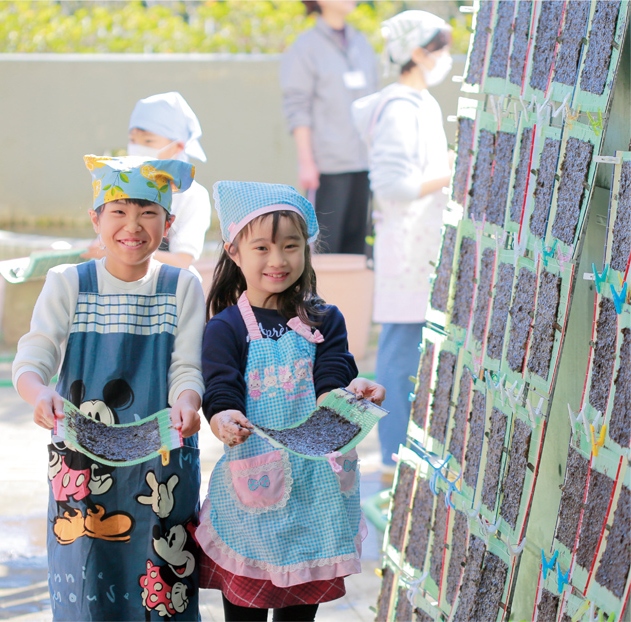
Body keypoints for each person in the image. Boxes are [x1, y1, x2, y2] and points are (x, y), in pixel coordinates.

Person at [12, 155, 205, 620]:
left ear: (169, 222)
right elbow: (33, 358)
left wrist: (187, 400)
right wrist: (39, 393)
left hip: (162, 464)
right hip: (82, 463)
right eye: (118, 211)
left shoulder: (182, 285)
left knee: (162, 581)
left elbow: (187, 366)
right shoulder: (68, 283)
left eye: (148, 213)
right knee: (86, 581)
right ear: (96, 218)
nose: (132, 226)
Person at [194, 181, 385, 621]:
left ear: (306, 250)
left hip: (316, 493)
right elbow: (220, 385)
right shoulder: (226, 327)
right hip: (254, 488)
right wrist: (222, 415)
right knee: (245, 608)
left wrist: (350, 394)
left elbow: (333, 375)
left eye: (290, 246)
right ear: (234, 252)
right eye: (261, 247)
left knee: (300, 613)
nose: (278, 260)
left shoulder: (325, 318)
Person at [351, 10, 454, 476]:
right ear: (417, 53)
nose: (446, 58)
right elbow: (393, 184)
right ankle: (394, 458)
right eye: (440, 48)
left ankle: (406, 455)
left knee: (412, 348)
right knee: (399, 352)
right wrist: (453, 174)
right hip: (407, 245)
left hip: (420, 243)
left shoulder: (419, 102)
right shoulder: (399, 108)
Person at [280, 0, 378, 254]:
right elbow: (297, 107)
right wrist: (306, 161)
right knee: (324, 250)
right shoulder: (305, 47)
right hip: (328, 166)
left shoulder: (362, 43)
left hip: (365, 163)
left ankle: (350, 296)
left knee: (358, 249)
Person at [83, 91, 211, 268]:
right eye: (133, 140)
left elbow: (182, 262)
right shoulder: (123, 182)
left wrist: (120, 251)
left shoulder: (192, 196)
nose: (138, 147)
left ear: (178, 146)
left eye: (148, 141)